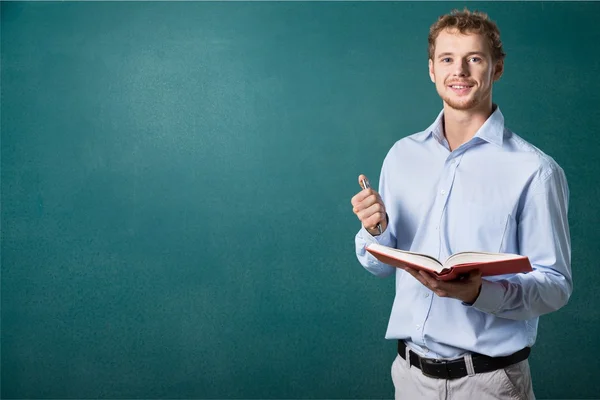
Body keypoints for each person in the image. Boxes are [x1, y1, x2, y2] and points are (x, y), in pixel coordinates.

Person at [350, 8, 572, 400]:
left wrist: (476, 293)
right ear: (432, 70)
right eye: (448, 59)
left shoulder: (535, 171)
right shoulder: (401, 156)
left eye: (475, 59)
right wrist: (376, 232)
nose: (461, 71)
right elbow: (377, 265)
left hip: (490, 384)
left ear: (497, 68)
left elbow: (555, 286)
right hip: (409, 378)